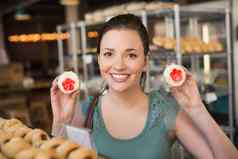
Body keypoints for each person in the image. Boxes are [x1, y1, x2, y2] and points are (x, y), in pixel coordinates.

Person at [50, 14, 238, 159]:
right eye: (109, 54)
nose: (119, 65)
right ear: (99, 60)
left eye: (131, 55)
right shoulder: (84, 112)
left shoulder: (167, 110)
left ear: (145, 62)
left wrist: (197, 109)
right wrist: (60, 122)